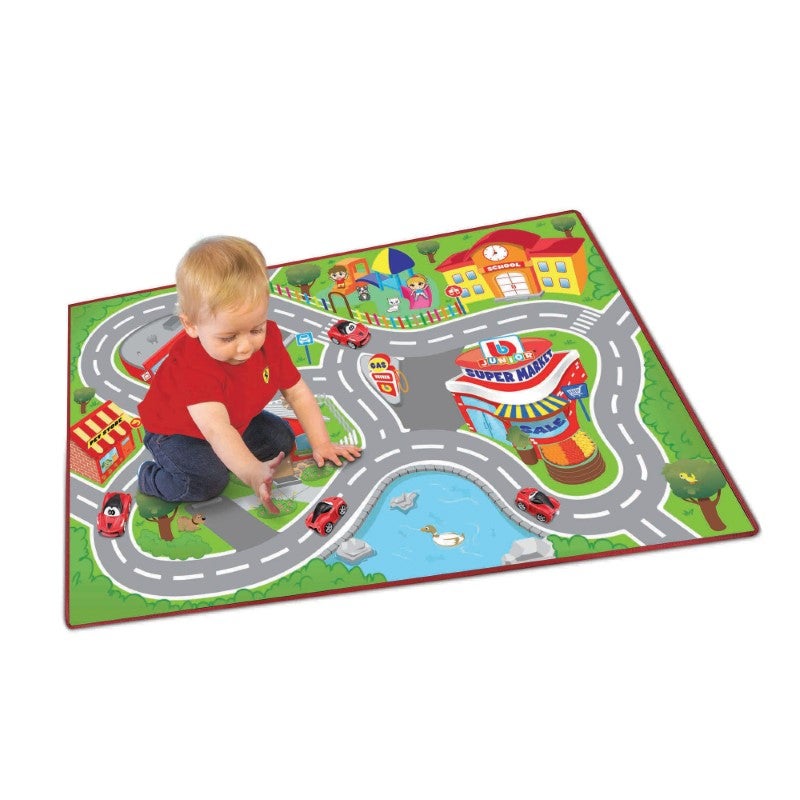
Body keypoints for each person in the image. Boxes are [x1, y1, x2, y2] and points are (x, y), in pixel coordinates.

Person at [137, 236, 362, 509]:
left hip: (235, 420)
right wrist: (252, 471)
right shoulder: (192, 368)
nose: (246, 347)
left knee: (281, 440)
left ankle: (230, 456)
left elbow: (297, 393)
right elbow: (216, 428)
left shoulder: (269, 340)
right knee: (207, 482)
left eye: (256, 329)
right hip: (177, 434)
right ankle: (150, 478)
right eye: (229, 337)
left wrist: (322, 443)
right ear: (191, 325)